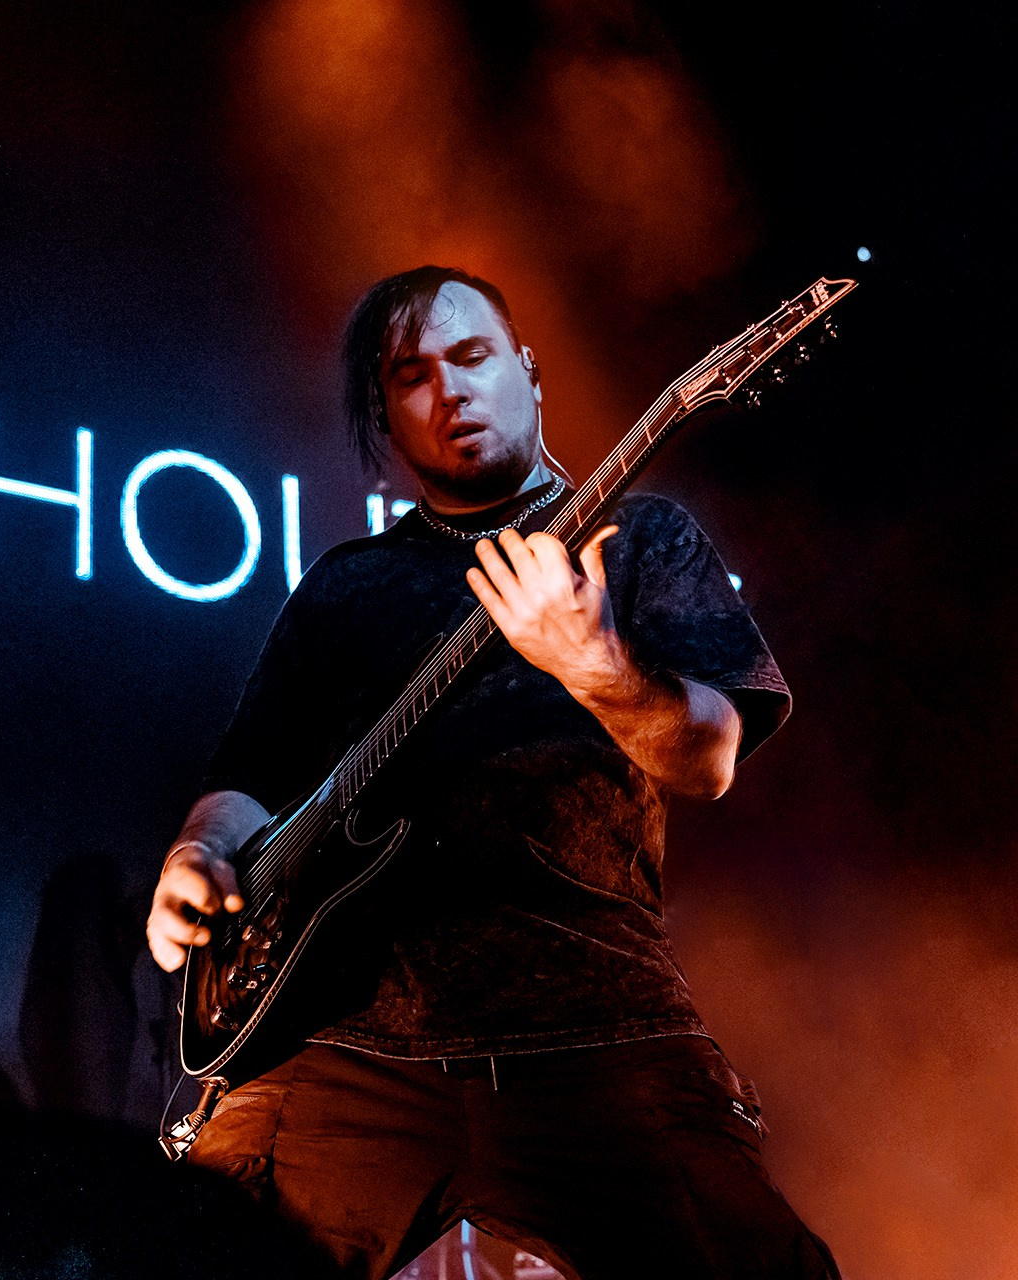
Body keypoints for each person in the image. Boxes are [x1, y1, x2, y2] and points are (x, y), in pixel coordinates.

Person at [146, 267, 840, 1280]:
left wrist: (597, 668)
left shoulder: (641, 538)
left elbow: (710, 756)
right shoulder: (347, 584)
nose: (451, 391)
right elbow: (248, 774)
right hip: (340, 1037)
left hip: (602, 1024)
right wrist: (200, 850)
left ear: (529, 369)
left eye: (472, 358)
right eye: (412, 375)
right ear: (387, 416)